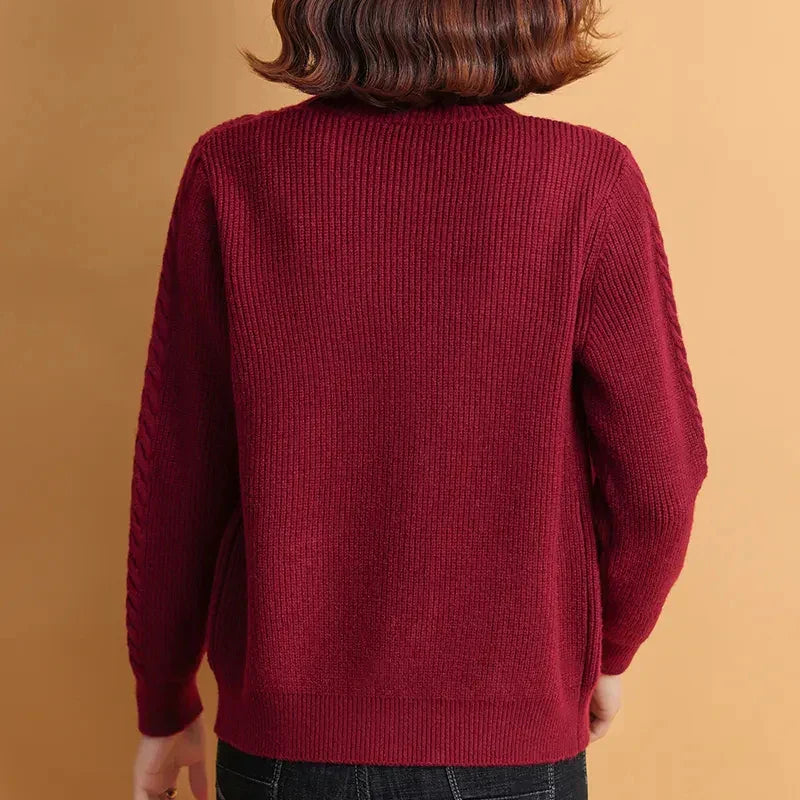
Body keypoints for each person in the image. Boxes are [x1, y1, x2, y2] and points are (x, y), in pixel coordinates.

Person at [125, 1, 709, 798]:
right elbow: (660, 487)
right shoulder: (587, 179)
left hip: (287, 742)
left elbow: (182, 474)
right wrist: (608, 653)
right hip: (514, 738)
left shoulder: (235, 169)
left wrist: (165, 698)